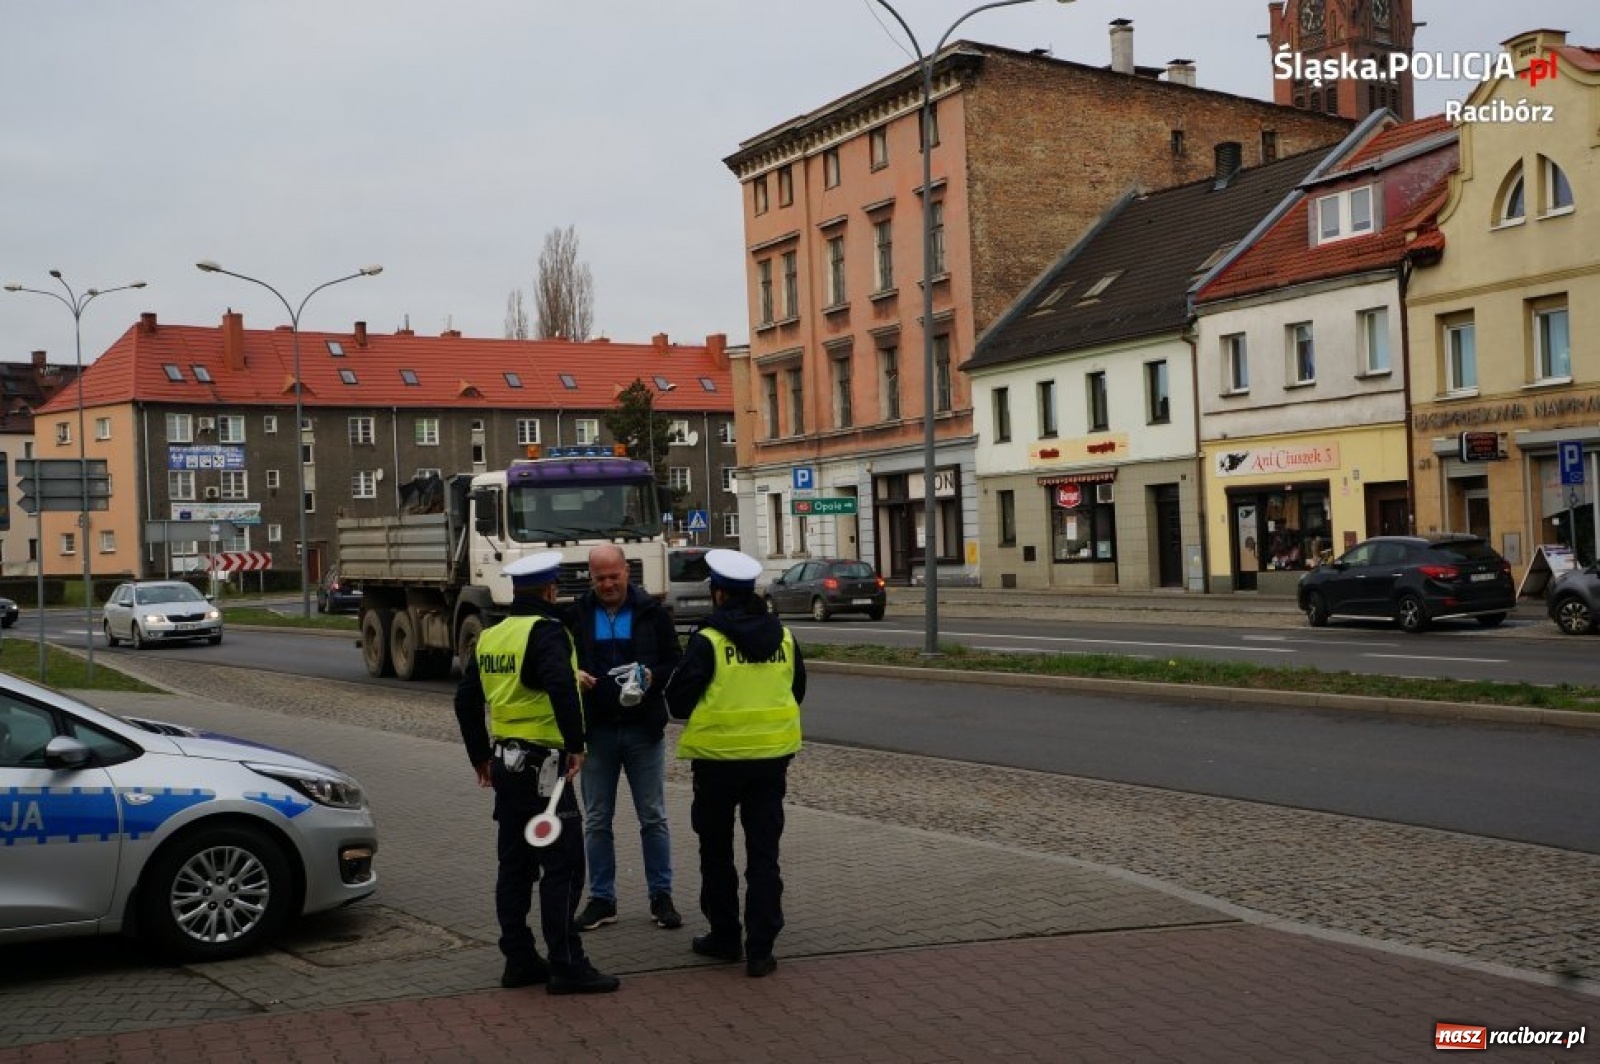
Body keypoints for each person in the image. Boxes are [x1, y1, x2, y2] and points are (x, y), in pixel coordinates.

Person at [453, 550, 620, 996]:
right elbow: (560, 687)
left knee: (515, 865)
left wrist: (479, 758)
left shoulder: (492, 635)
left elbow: (465, 700)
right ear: (550, 590)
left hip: (506, 766)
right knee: (562, 866)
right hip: (545, 768)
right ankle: (567, 964)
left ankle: (519, 958)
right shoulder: (547, 632)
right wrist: (576, 745)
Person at [664, 548, 805, 978]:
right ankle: (761, 949)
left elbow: (678, 701)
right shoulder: (783, 637)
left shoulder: (708, 640)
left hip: (718, 763)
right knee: (764, 855)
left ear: (719, 593)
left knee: (717, 850)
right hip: (770, 762)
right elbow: (796, 690)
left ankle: (725, 936)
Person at [565, 543, 684, 932]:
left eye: (613, 576)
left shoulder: (651, 612)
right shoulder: (578, 614)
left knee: (653, 817)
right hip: (597, 730)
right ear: (590, 576)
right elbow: (562, 660)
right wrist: (575, 675)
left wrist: (653, 677)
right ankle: (602, 899)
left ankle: (661, 896)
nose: (607, 584)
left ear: (626, 571)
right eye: (599, 578)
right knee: (597, 819)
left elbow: (673, 660)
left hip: (642, 728)